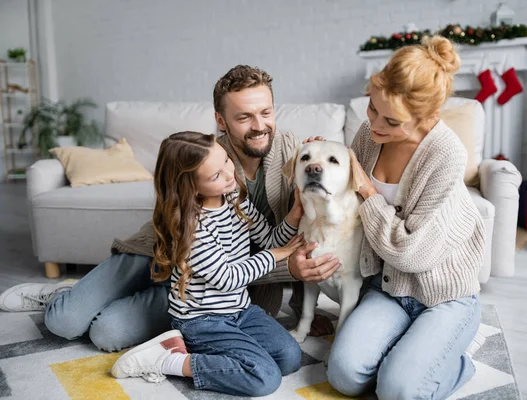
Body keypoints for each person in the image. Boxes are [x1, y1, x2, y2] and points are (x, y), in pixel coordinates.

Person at [0, 65, 339, 352]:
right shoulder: (207, 156)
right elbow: (272, 251)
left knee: (108, 333)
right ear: (221, 121)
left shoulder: (294, 150)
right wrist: (287, 265)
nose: (259, 126)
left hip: (208, 288)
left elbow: (307, 222)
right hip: (161, 252)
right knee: (65, 321)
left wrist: (300, 305)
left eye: (266, 113)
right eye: (244, 117)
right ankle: (62, 293)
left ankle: (115, 302)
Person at [326, 36, 485, 400]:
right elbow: (345, 190)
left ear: (428, 118)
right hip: (388, 288)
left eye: (392, 120)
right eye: (372, 108)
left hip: (444, 293)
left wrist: (367, 192)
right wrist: (326, 157)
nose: (376, 124)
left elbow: (410, 252)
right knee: (344, 376)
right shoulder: (370, 134)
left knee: (397, 391)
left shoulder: (446, 155)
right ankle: (410, 349)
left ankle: (456, 362)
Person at [111, 132, 303, 396]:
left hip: (240, 310)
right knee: (265, 378)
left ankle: (211, 349)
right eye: (215, 176)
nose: (229, 173)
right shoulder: (192, 227)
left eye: (226, 160)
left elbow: (269, 238)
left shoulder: (236, 198)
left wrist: (294, 216)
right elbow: (229, 279)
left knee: (290, 357)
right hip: (202, 320)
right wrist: (279, 254)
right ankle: (171, 359)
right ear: (189, 186)